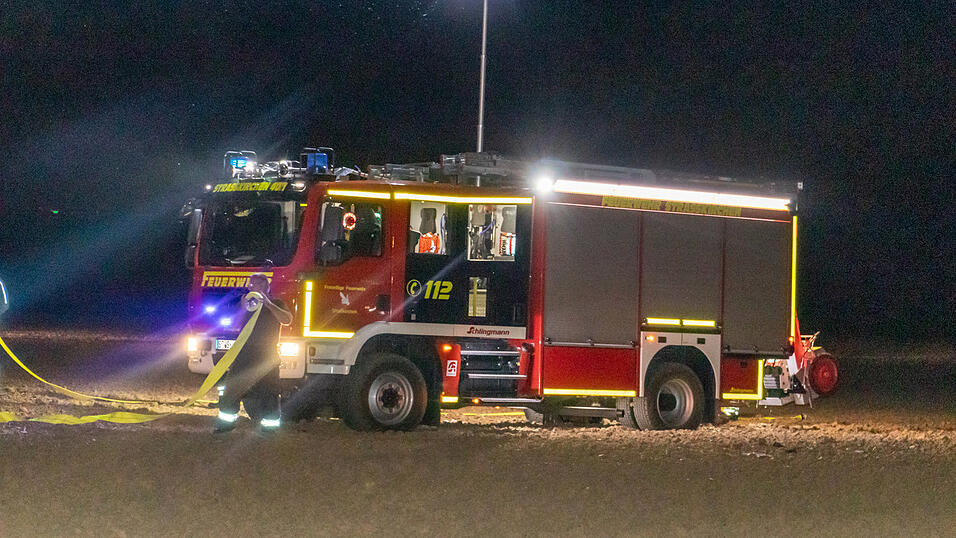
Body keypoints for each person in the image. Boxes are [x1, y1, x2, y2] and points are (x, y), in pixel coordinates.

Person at [214, 273, 293, 436]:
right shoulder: (246, 303)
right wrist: (243, 308)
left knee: (269, 392)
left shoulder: (277, 302)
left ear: (267, 287)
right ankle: (226, 424)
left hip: (267, 355)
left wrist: (269, 304)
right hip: (244, 354)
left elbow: (287, 320)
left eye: (258, 284)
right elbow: (234, 325)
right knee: (232, 388)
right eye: (252, 284)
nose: (254, 287)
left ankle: (269, 428)